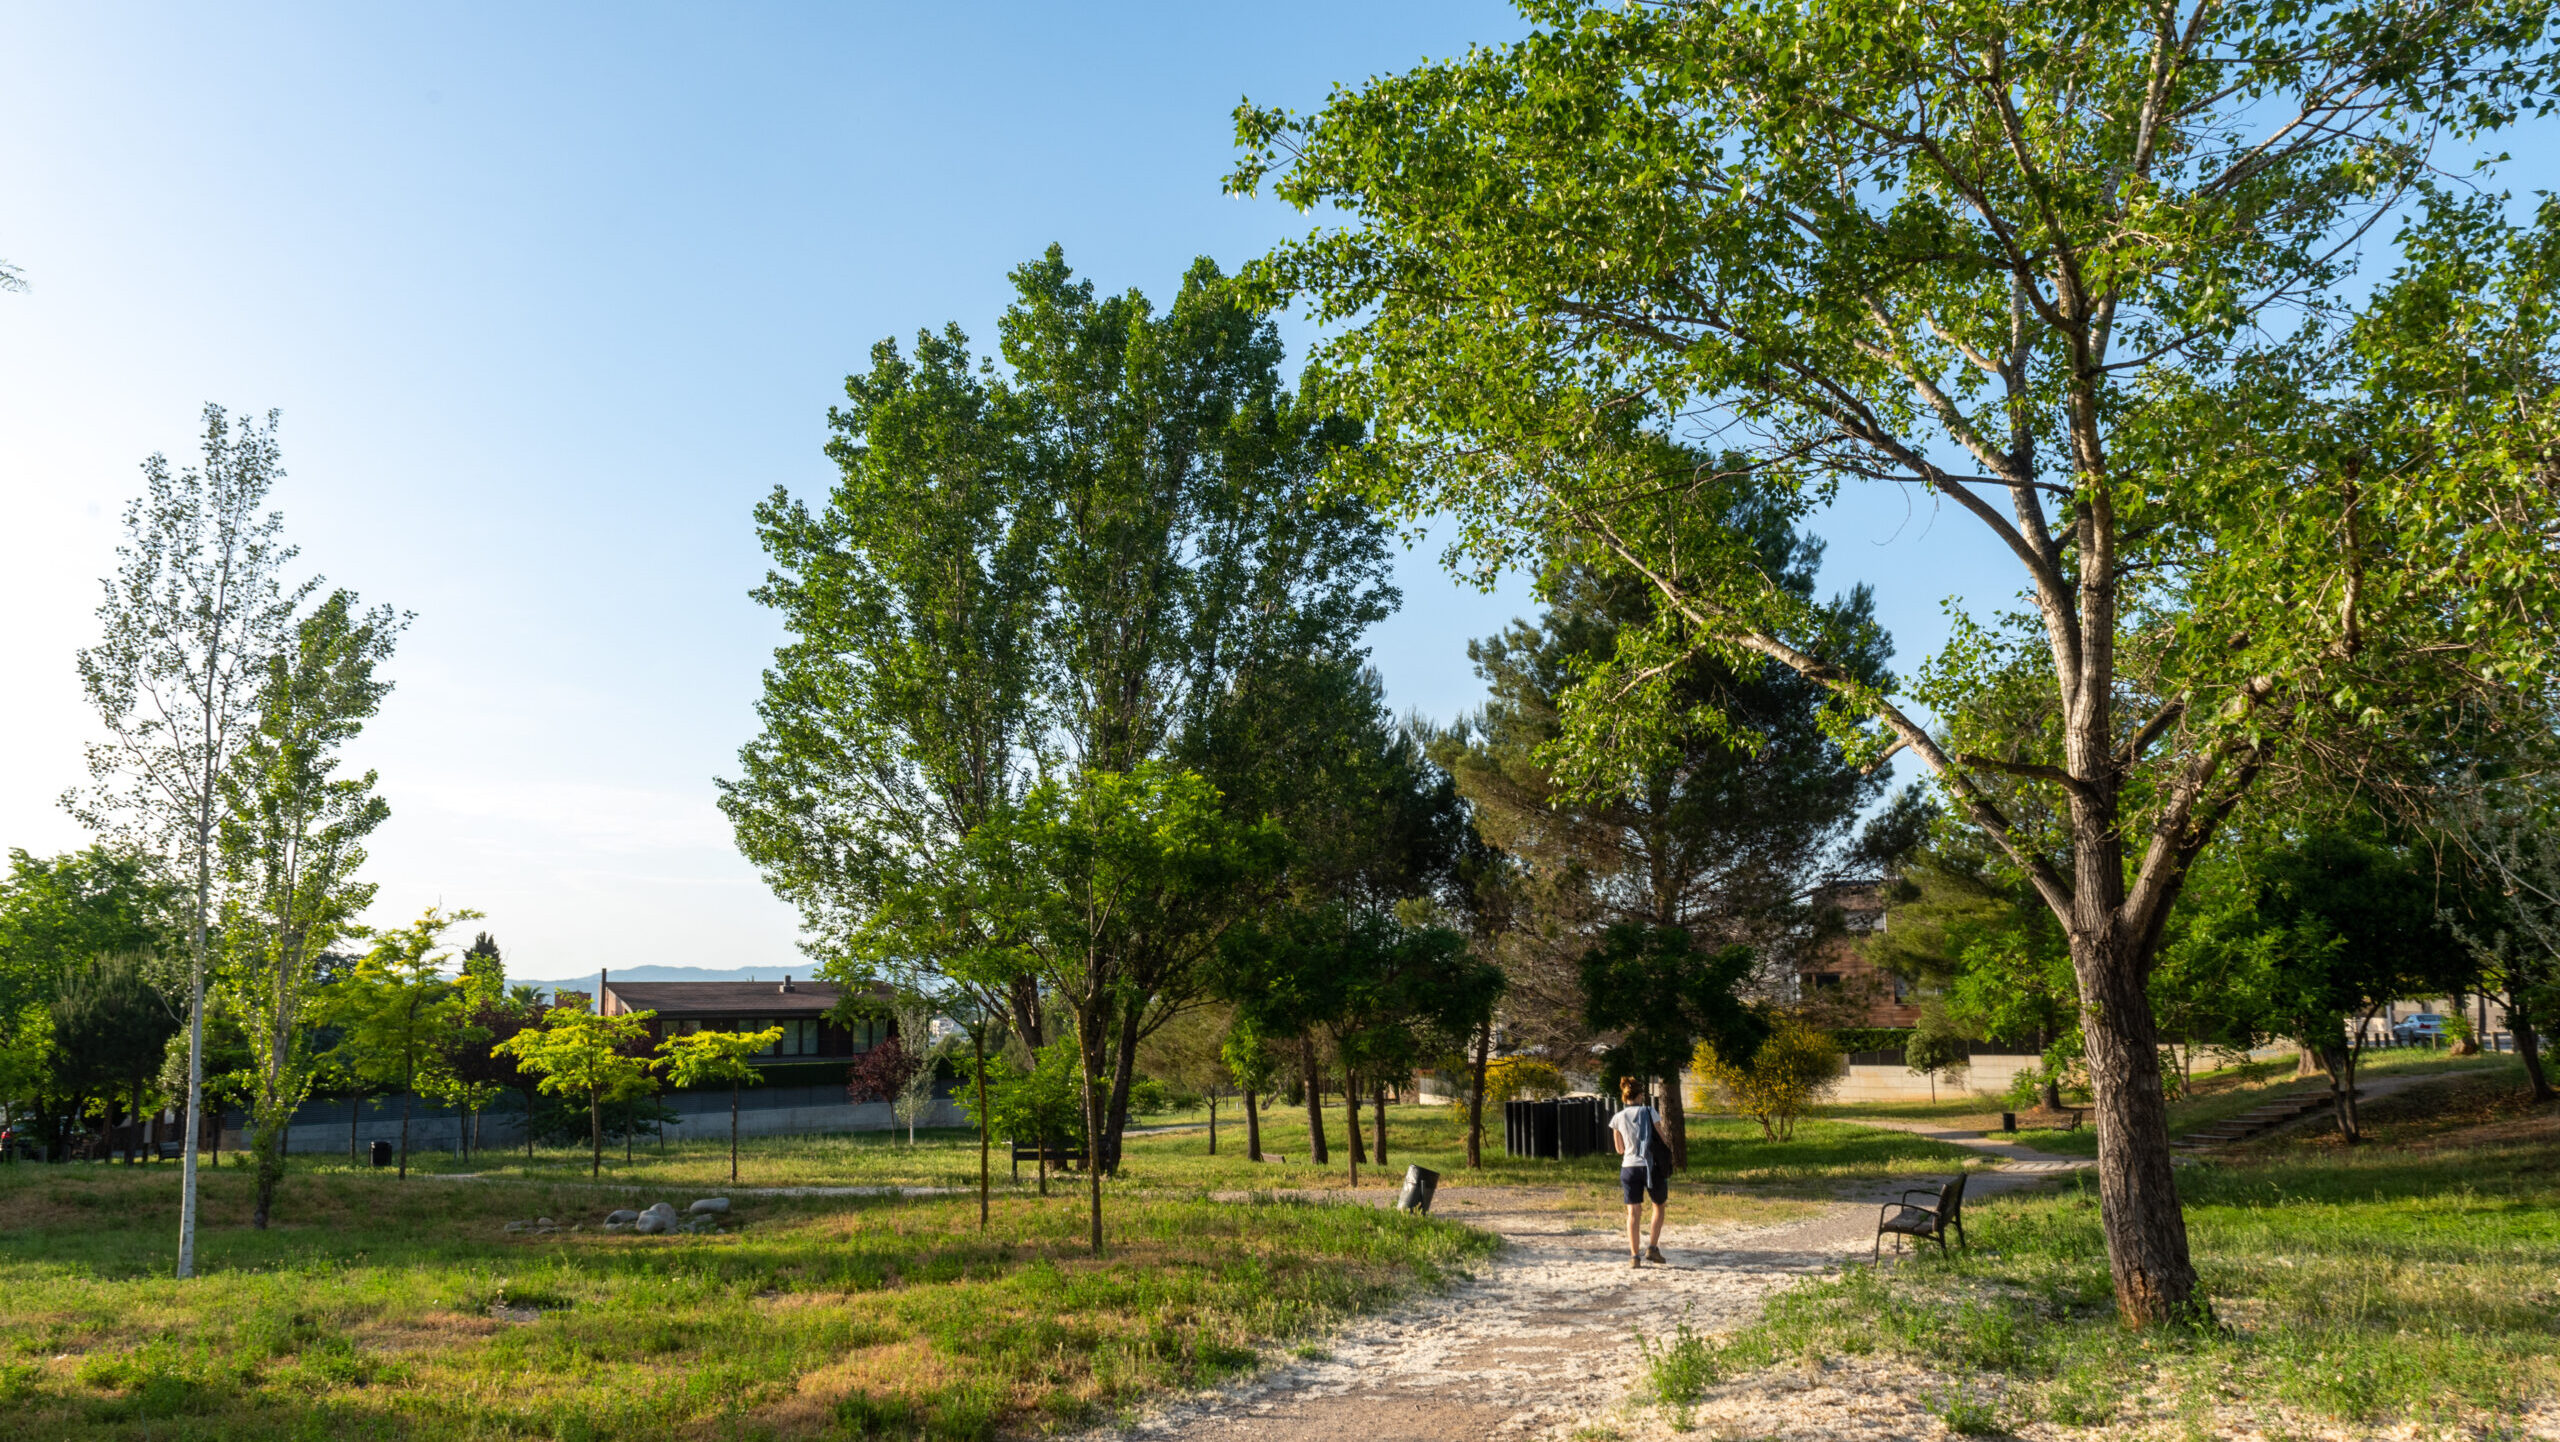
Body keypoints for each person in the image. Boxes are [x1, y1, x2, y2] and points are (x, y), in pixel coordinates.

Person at [1610, 1076, 1672, 1267]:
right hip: (1650, 1167)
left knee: (1633, 1212)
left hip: (1628, 1167)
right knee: (1658, 1205)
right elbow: (1662, 1138)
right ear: (1639, 1095)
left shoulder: (1617, 1118)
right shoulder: (1649, 1111)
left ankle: (1634, 1256)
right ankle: (1652, 1248)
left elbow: (1619, 1149)